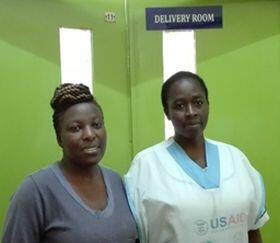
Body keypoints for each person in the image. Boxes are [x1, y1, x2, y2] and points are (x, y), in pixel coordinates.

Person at [125, 71, 269, 243]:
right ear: (167, 112)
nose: (191, 112)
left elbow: (252, 230)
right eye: (179, 106)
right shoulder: (146, 165)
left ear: (208, 105)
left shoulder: (236, 159)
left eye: (198, 102)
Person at [2, 83, 137, 243]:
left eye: (96, 125)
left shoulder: (117, 182)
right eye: (75, 128)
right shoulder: (35, 191)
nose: (89, 134)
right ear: (59, 138)